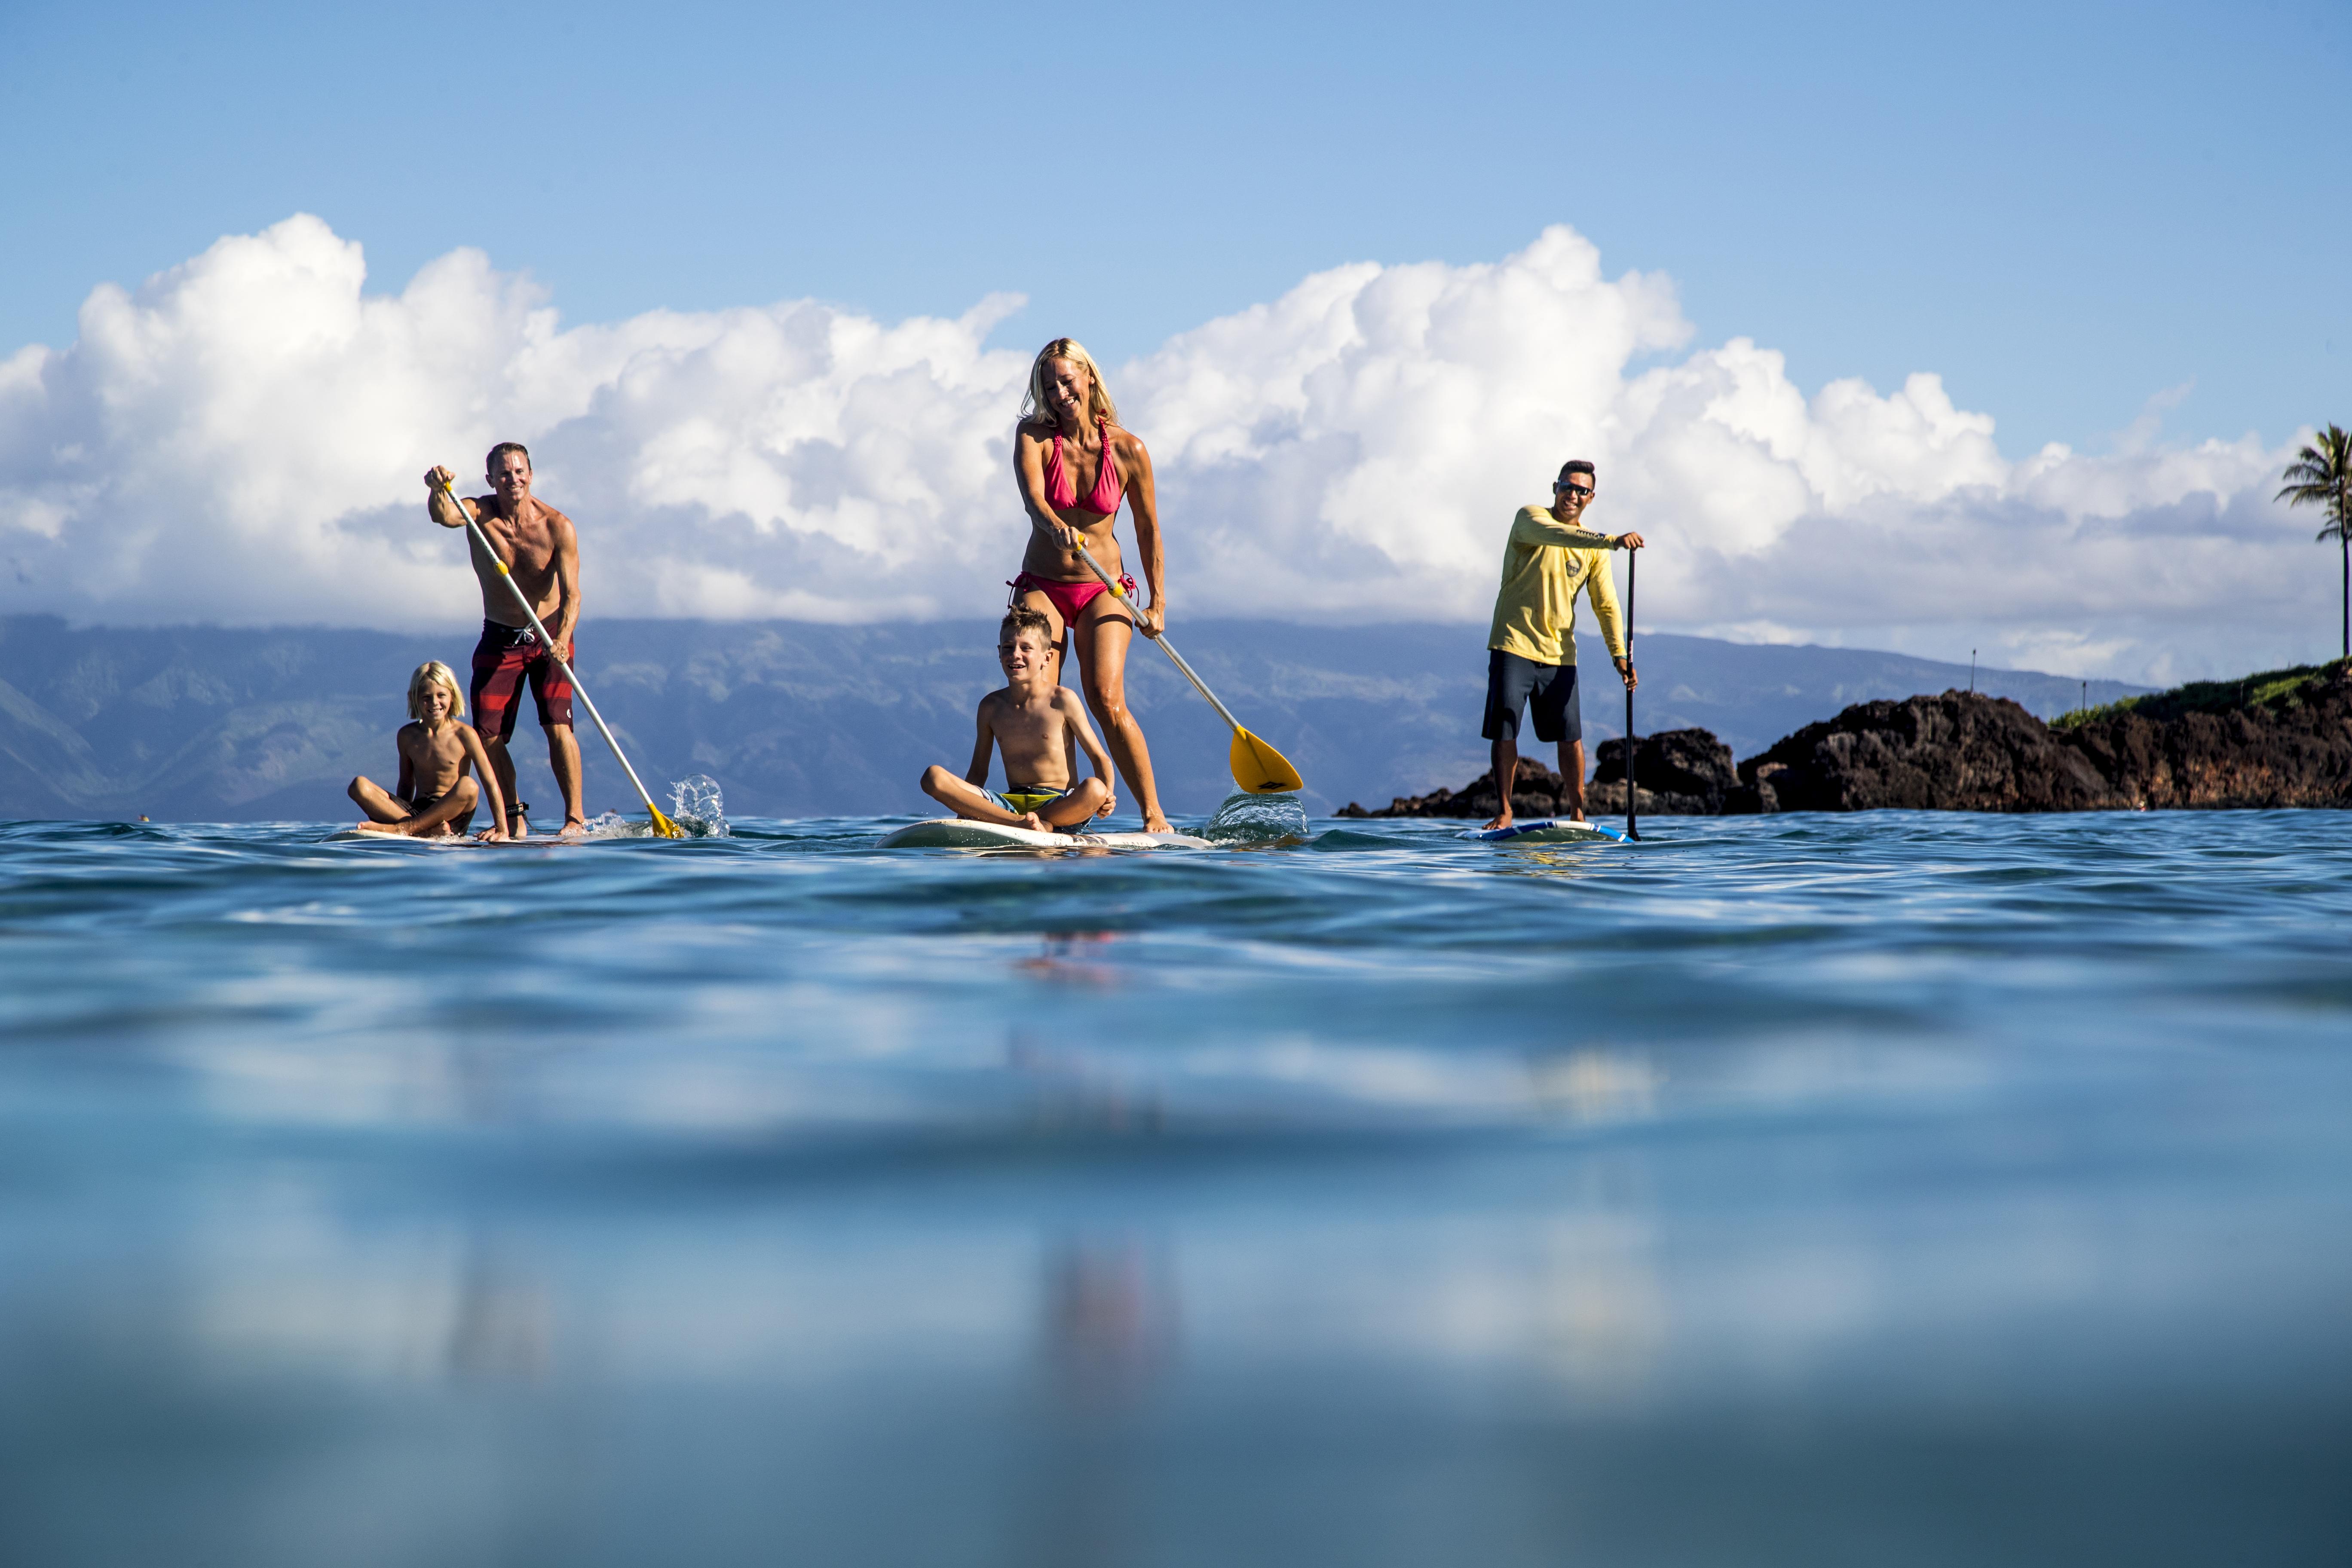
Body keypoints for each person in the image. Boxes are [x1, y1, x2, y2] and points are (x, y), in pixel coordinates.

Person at [1010, 338, 1172, 833]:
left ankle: (1153, 815)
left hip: (1106, 589)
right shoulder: (1033, 437)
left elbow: (1148, 530)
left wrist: (1159, 603)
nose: (1060, 393)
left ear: (1090, 378)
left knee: (1104, 697)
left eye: (1067, 380)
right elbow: (1033, 499)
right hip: (1044, 583)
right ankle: (1066, 816)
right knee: (1046, 697)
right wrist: (1051, 523)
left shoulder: (1129, 449)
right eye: (1050, 385)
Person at [424, 444, 585, 836]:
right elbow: (444, 515)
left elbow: (573, 595)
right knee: (487, 736)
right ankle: (513, 819)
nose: (512, 479)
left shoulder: (557, 526)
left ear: (530, 474)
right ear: (491, 480)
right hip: (500, 637)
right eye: (504, 474)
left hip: (550, 635)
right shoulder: (478, 512)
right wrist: (437, 489)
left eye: (519, 472)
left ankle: (574, 819)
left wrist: (561, 639)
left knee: (557, 727)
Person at [1482, 459, 1644, 831]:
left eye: (1581, 490)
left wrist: (1619, 655)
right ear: (1555, 487)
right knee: (1505, 727)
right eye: (1566, 487)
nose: (1572, 495)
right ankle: (1505, 811)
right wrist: (1612, 541)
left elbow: (1606, 606)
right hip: (1513, 643)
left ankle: (1578, 813)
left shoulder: (1594, 551)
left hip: (1559, 653)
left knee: (1571, 737)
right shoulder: (1530, 519)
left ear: (1591, 497)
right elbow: (1557, 535)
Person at [920, 607, 1117, 833]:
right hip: (1010, 806)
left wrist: (1108, 795)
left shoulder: (1063, 700)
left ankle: (1039, 821)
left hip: (1060, 805)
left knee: (1095, 789)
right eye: (1008, 648)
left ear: (1047, 657)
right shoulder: (990, 707)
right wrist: (964, 812)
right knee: (933, 777)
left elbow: (1099, 757)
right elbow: (978, 772)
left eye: (1026, 648)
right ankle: (1021, 824)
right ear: (999, 653)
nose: (1015, 654)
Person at [348, 661, 508, 839]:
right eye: (426, 697)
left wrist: (502, 829)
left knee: (469, 786)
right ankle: (417, 829)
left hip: (451, 817)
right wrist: (396, 818)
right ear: (414, 698)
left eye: (441, 695)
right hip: (417, 811)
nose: (434, 703)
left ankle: (407, 828)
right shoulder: (407, 735)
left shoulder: (465, 734)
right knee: (358, 786)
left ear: (452, 696)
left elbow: (490, 782)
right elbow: (406, 784)